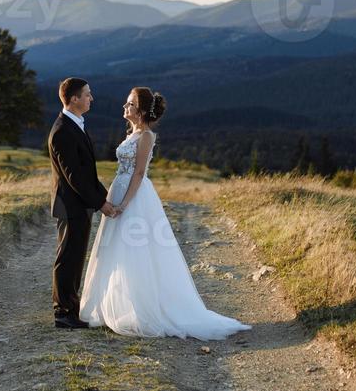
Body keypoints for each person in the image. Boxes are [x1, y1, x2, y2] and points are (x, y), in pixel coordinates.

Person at [79, 86, 250, 340]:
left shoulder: (146, 136)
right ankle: (114, 304)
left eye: (129, 104)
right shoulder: (132, 132)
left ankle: (141, 308)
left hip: (134, 197)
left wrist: (124, 204)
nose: (125, 108)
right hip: (117, 191)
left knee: (136, 250)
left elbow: (138, 173)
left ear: (141, 111)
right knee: (114, 249)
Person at [46, 77, 121, 329]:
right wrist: (101, 203)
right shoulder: (62, 130)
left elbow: (87, 172)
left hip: (79, 204)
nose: (91, 98)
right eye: (87, 94)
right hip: (70, 205)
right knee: (68, 256)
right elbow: (74, 176)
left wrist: (103, 197)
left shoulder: (75, 124)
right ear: (74, 98)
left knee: (76, 256)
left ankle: (71, 306)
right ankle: (63, 313)